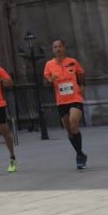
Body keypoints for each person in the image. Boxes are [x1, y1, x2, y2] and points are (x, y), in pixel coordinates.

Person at [42, 39, 88, 170]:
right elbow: (45, 83)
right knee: (69, 131)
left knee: (74, 123)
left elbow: (81, 73)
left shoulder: (72, 62)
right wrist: (50, 80)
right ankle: (80, 153)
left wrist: (82, 85)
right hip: (61, 101)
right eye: (55, 47)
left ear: (64, 48)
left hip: (75, 98)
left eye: (60, 46)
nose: (58, 49)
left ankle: (79, 156)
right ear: (53, 50)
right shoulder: (49, 65)